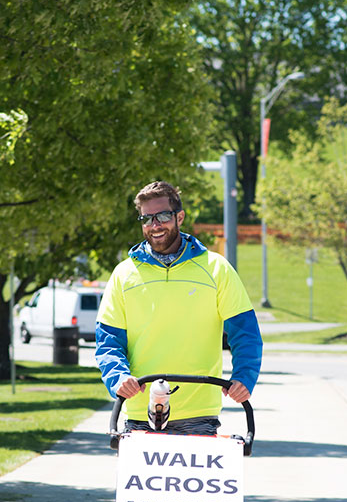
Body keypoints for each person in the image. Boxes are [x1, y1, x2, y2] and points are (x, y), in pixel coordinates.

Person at [95, 180, 262, 435]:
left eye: (162, 216)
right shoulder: (123, 274)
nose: (155, 225)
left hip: (199, 415)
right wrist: (118, 377)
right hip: (140, 412)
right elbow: (108, 340)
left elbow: (245, 332)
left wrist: (244, 377)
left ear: (180, 217)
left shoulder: (216, 269)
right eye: (147, 218)